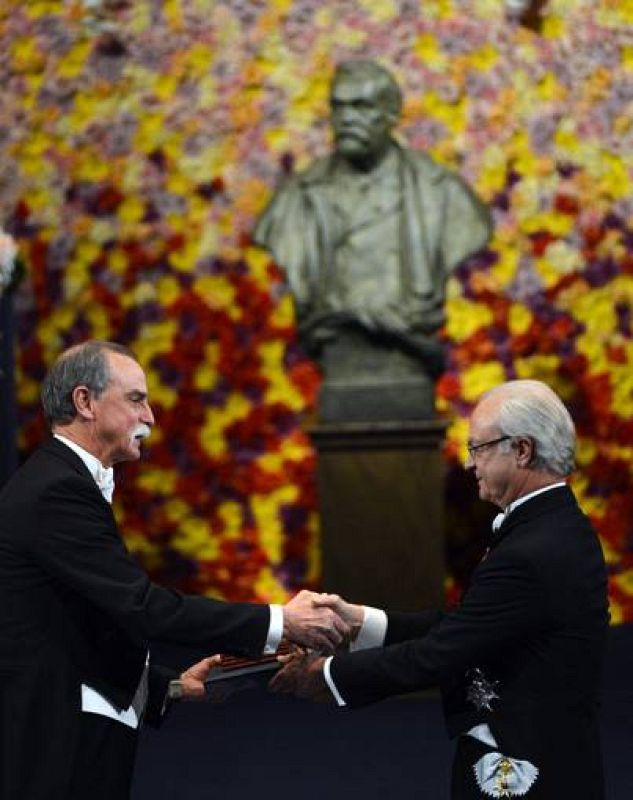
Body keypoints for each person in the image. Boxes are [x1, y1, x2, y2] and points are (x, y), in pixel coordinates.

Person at [0, 340, 349, 800]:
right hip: (59, 746)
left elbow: (79, 618)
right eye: (136, 399)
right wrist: (281, 621)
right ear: (84, 402)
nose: (150, 418)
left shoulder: (61, 480)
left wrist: (167, 684)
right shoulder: (54, 490)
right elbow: (141, 607)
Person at [271, 380, 609, 799]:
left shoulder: (534, 548)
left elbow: (443, 652)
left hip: (528, 771)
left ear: (522, 450)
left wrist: (325, 675)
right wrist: (359, 623)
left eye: (479, 448)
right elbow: (473, 624)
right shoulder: (553, 525)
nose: (469, 464)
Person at [254, 59, 492, 420]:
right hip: (338, 365)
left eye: (361, 107)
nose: (347, 118)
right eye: (339, 107)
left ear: (392, 113)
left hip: (409, 373)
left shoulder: (441, 194)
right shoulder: (298, 198)